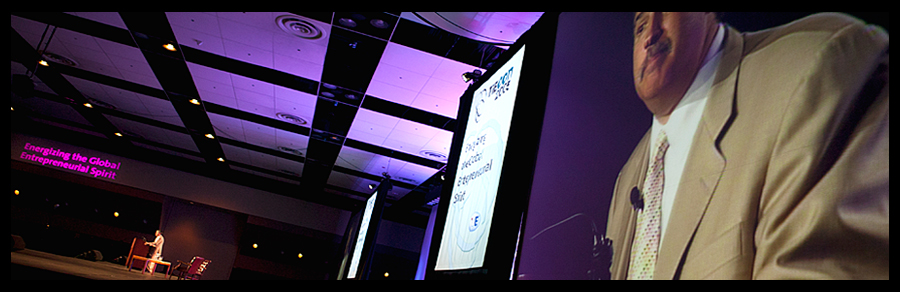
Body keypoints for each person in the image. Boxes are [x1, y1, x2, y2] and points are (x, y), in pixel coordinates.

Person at [605, 12, 888, 280]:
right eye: (640, 25)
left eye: (664, 13)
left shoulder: (814, 67)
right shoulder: (627, 179)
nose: (650, 35)